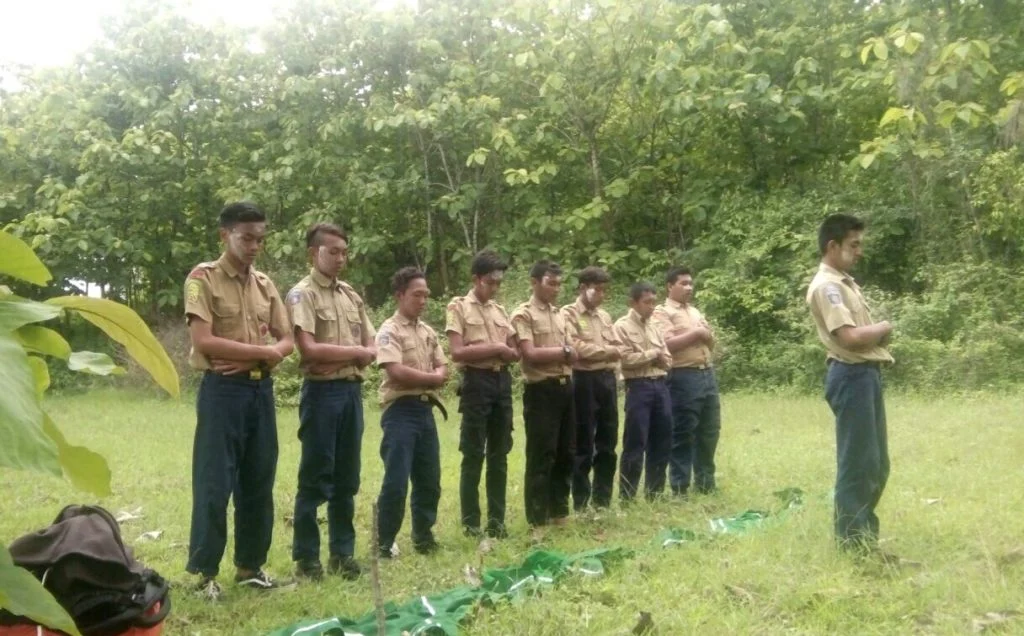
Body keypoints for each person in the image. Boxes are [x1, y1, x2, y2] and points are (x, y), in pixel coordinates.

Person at [182, 201, 294, 599]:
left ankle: (250, 566)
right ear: (224, 235)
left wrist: (266, 354)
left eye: (260, 239)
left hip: (260, 392)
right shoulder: (203, 279)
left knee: (259, 481)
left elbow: (287, 339)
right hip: (222, 392)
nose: (254, 246)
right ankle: (204, 574)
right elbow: (204, 341)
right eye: (246, 237)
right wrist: (265, 352)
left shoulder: (264, 284)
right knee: (215, 482)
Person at [285, 223, 376, 581]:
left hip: (351, 393)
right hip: (321, 394)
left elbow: (373, 347)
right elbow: (308, 350)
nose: (340, 258)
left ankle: (343, 554)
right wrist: (354, 354)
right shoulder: (302, 294)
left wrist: (345, 356)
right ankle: (307, 559)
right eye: (332, 251)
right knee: (315, 477)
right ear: (313, 253)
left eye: (344, 252)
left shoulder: (351, 295)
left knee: (347, 478)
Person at [806, 214, 894, 554]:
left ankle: (862, 537)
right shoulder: (827, 287)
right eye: (853, 245)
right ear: (833, 246)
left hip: (864, 375)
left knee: (875, 462)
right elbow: (850, 336)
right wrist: (884, 327)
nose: (859, 252)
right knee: (858, 463)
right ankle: (854, 544)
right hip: (851, 375)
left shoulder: (843, 283)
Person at [374, 267, 449, 558]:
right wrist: (432, 378)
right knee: (396, 480)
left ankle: (423, 535)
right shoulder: (389, 331)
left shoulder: (427, 331)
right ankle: (383, 541)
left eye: (426, 295)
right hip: (400, 412)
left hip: (425, 410)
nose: (423, 300)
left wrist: (436, 376)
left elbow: (443, 365)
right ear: (399, 295)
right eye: (417, 294)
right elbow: (395, 371)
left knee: (429, 479)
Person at [445, 250, 519, 539]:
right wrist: (496, 349)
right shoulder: (459, 307)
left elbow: (515, 350)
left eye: (499, 282)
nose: (495, 287)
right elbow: (458, 351)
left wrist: (504, 352)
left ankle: (497, 521)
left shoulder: (500, 311)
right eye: (490, 282)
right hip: (476, 382)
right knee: (473, 453)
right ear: (476, 279)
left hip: (502, 383)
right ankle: (471, 522)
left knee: (499, 453)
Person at [510, 261, 576, 530]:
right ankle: (537, 519)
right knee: (541, 454)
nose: (556, 289)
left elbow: (574, 349)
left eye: (559, 284)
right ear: (534, 282)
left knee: (566, 452)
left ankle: (559, 511)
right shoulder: (523, 315)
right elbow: (531, 354)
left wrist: (566, 352)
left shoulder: (560, 314)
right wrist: (564, 352)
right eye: (551, 283)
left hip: (566, 386)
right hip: (541, 390)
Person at [653, 267, 721, 497]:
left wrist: (703, 334)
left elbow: (711, 342)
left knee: (710, 429)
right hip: (683, 376)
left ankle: (705, 482)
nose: (689, 288)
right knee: (683, 431)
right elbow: (668, 344)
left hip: (706, 372)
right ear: (669, 286)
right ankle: (680, 486)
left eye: (691, 283)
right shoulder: (662, 312)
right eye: (683, 283)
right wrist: (698, 334)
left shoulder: (695, 312)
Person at [561, 266, 622, 510]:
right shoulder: (568, 314)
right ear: (582, 288)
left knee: (608, 440)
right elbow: (576, 350)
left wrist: (604, 353)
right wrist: (606, 352)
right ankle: (581, 502)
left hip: (606, 381)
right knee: (583, 441)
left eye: (604, 290)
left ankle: (603, 501)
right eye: (596, 289)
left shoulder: (605, 316)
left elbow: (620, 346)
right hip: (583, 381)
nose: (601, 295)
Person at [614, 282, 673, 502]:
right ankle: (627, 496)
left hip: (661, 385)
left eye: (653, 302)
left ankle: (655, 493)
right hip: (638, 387)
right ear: (633, 302)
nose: (651, 306)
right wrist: (652, 355)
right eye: (647, 302)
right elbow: (623, 359)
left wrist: (659, 357)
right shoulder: (621, 327)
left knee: (662, 439)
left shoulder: (655, 325)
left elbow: (668, 359)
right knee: (635, 441)